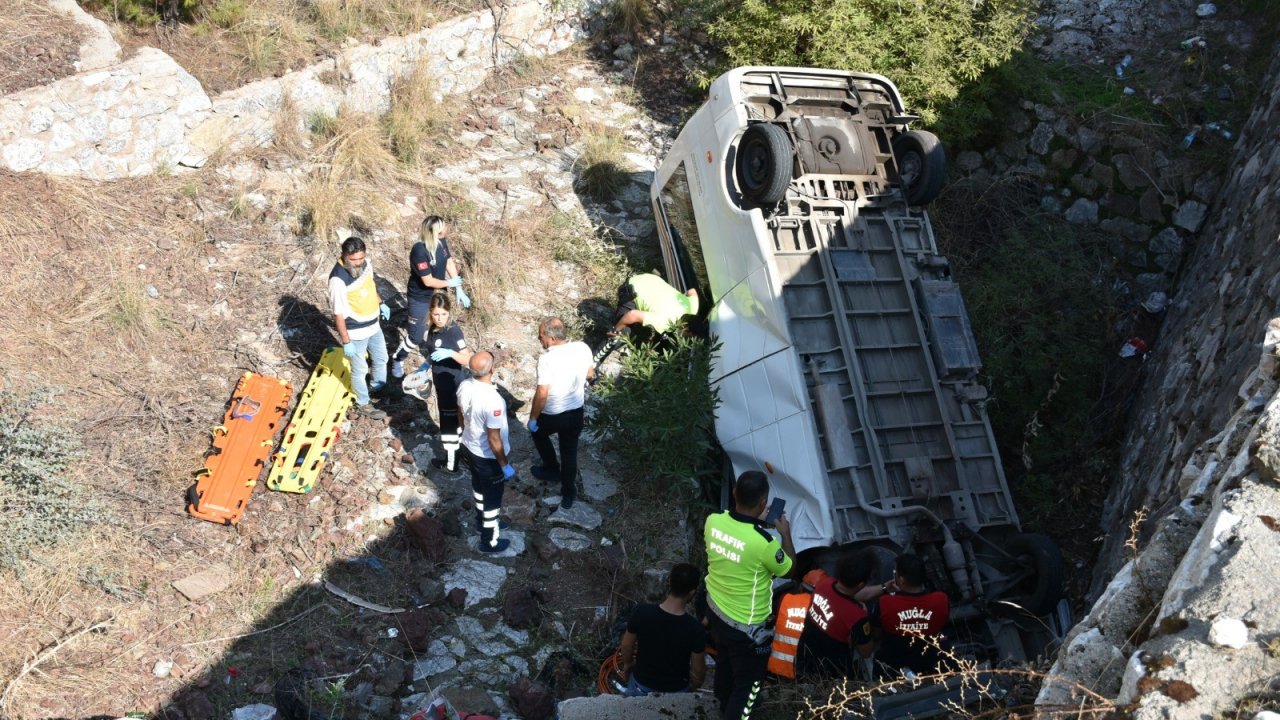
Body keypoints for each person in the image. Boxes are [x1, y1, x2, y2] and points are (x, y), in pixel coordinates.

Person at [703, 471, 795, 720]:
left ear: (734, 493)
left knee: (724, 663)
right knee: (749, 687)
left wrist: (754, 520)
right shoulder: (765, 543)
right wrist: (784, 533)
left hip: (716, 611)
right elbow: (790, 568)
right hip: (747, 629)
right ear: (764, 502)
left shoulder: (713, 521)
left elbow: (737, 542)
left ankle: (723, 701)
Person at [527, 317, 594, 509]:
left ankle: (551, 468)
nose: (540, 341)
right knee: (569, 453)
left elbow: (542, 392)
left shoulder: (546, 359)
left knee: (537, 432)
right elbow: (590, 373)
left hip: (553, 415)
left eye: (541, 337)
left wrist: (532, 418)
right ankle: (568, 493)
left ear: (551, 337)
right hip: (575, 413)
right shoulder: (582, 347)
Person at [392, 215, 470, 378]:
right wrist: (450, 283)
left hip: (439, 292)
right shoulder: (419, 250)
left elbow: (448, 262)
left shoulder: (442, 241)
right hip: (420, 296)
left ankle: (437, 355)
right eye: (441, 228)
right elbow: (427, 281)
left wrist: (458, 288)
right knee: (416, 335)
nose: (445, 229)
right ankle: (397, 359)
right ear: (432, 232)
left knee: (441, 324)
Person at [617, 563, 708, 696]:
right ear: (692, 593)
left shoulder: (641, 612)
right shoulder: (696, 629)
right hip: (676, 691)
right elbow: (698, 671)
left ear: (669, 581)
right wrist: (693, 687)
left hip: (641, 686)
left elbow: (626, 645)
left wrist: (628, 664)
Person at [457, 351, 514, 553]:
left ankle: (481, 521)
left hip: (469, 447)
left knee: (479, 488)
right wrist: (504, 465)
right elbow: (493, 438)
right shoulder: (493, 400)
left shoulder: (464, 385)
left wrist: (464, 431)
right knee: (493, 499)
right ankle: (489, 540)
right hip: (488, 457)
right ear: (491, 370)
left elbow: (460, 412)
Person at [328, 235, 390, 419]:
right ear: (344, 256)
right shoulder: (337, 280)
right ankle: (363, 402)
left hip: (374, 325)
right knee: (360, 370)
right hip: (356, 332)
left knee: (381, 359)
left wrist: (381, 303)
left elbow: (370, 287)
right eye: (354, 260)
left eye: (361, 258)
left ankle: (377, 389)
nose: (358, 263)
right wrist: (346, 341)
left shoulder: (366, 265)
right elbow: (337, 314)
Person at [861, 553, 951, 678]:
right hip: (931, 661)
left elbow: (876, 634)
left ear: (901, 579)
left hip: (896, 665)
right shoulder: (941, 600)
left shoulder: (885, 603)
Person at [795, 552, 875, 680]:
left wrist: (884, 587)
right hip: (832, 672)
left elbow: (842, 598)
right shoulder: (856, 615)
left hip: (805, 658)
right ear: (860, 585)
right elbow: (866, 652)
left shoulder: (823, 584)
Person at [422, 293, 472, 471]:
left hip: (453, 385)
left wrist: (450, 353)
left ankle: (451, 464)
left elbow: (467, 359)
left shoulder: (454, 331)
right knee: (452, 421)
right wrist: (424, 366)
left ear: (449, 313)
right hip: (440, 384)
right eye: (436, 314)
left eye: (443, 314)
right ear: (430, 313)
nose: (440, 318)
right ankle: (461, 452)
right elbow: (432, 354)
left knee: (449, 423)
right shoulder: (431, 330)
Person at [767, 568, 827, 680]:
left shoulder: (785, 599)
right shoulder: (822, 611)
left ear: (801, 586)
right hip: (801, 676)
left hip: (774, 669)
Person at [612, 273, 700, 337]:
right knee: (622, 334)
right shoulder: (665, 322)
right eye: (687, 337)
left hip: (651, 278)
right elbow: (632, 315)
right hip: (633, 287)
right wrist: (615, 331)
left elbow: (692, 291)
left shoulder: (693, 307)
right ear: (685, 329)